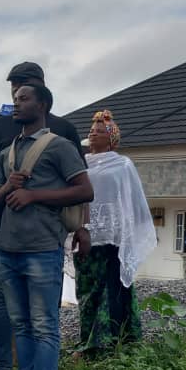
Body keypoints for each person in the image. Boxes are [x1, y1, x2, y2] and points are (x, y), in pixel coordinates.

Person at [0, 62, 84, 370]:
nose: (17, 93)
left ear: (42, 90)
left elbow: (81, 186)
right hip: (4, 231)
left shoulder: (64, 131)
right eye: (14, 86)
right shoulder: (1, 129)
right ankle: (5, 367)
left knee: (43, 313)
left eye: (25, 85)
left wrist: (82, 229)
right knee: (5, 305)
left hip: (45, 235)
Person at [0, 81, 94, 370]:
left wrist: (35, 196)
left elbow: (84, 189)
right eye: (14, 99)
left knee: (44, 325)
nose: (16, 104)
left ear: (43, 104)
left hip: (43, 248)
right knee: (21, 324)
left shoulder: (59, 146)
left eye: (23, 99)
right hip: (9, 248)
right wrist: (8, 187)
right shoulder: (7, 151)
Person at [74, 111, 155, 356]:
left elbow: (131, 200)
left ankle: (106, 341)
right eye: (91, 130)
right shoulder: (80, 163)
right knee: (87, 290)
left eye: (99, 130)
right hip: (86, 235)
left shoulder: (122, 165)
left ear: (112, 138)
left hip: (112, 239)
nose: (93, 133)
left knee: (109, 288)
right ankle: (86, 338)